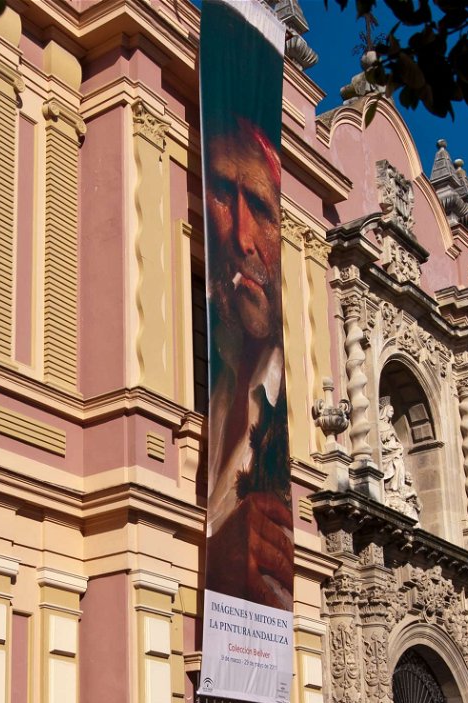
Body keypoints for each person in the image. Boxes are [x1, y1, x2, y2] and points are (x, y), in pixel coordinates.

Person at [203, 116, 293, 612]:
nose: (241, 237)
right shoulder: (215, 363)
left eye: (260, 207)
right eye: (221, 192)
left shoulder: (281, 407)